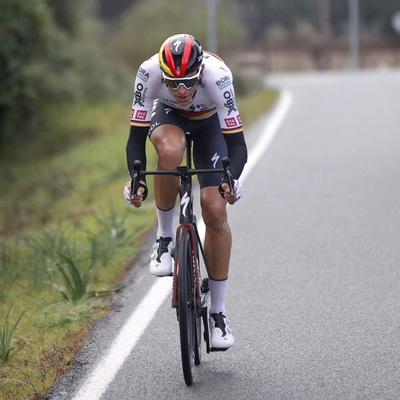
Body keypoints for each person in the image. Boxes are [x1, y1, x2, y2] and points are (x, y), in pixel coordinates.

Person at [124, 34, 247, 350]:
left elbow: (236, 145)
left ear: (200, 71)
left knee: (215, 209)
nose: (180, 90)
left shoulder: (218, 76)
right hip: (169, 119)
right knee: (170, 152)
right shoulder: (148, 72)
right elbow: (135, 140)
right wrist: (136, 179)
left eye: (188, 82)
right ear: (162, 72)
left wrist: (231, 180)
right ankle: (165, 239)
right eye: (173, 82)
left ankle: (218, 313)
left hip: (211, 128)